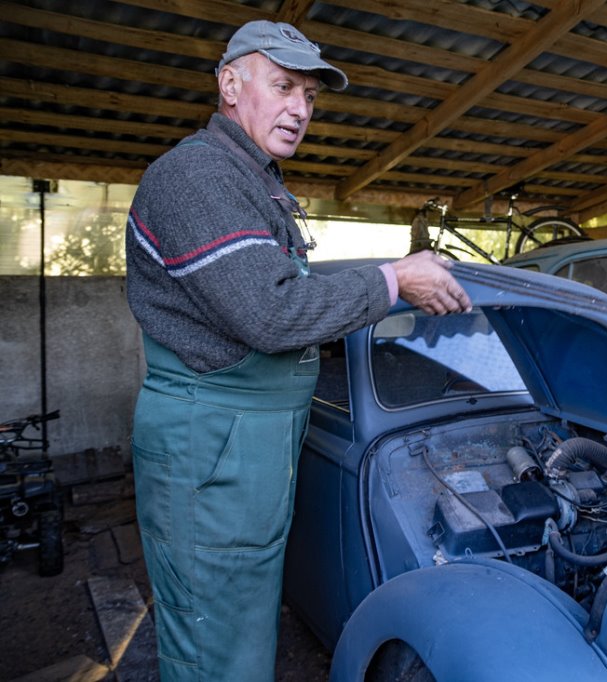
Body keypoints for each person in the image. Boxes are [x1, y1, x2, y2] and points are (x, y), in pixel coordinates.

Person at [124, 20, 471, 680]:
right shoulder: (197, 176)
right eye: (283, 86)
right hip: (213, 447)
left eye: (309, 96)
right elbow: (272, 312)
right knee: (213, 645)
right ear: (230, 84)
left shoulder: (252, 181)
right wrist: (394, 281)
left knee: (242, 626)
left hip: (243, 447)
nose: (299, 109)